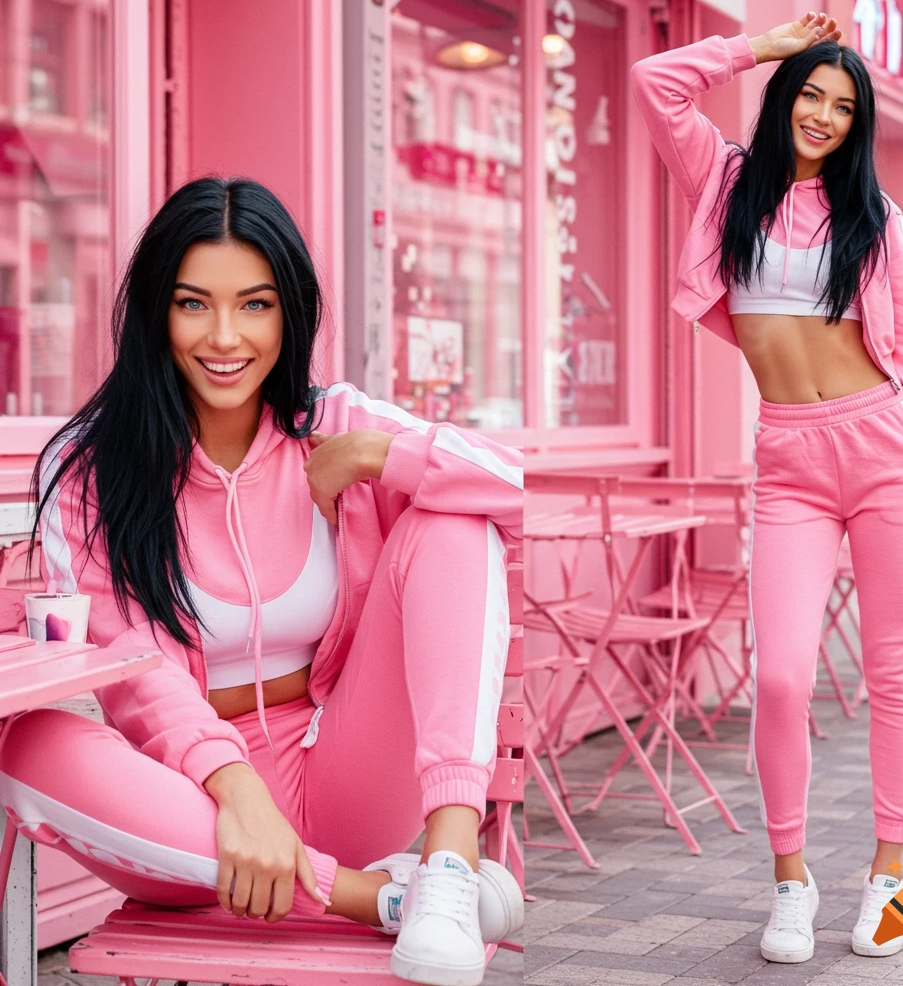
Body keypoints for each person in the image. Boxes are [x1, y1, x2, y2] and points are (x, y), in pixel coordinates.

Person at [0, 177, 524, 986]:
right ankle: (375, 898)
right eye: (192, 303)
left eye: (254, 305)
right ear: (154, 312)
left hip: (343, 768)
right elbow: (133, 669)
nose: (224, 336)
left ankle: (448, 868)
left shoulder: (336, 423)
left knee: (451, 515)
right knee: (29, 744)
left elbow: (513, 486)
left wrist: (382, 457)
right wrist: (236, 789)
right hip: (189, 813)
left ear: (291, 313)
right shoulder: (88, 469)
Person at [630, 13, 903, 964]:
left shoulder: (876, 217)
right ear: (788, 96)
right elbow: (655, 79)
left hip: (885, 449)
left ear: (858, 124)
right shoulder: (726, 182)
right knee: (780, 678)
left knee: (889, 676)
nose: (824, 115)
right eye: (812, 95)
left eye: (844, 106)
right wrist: (765, 43)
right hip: (788, 456)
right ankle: (791, 884)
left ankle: (887, 882)